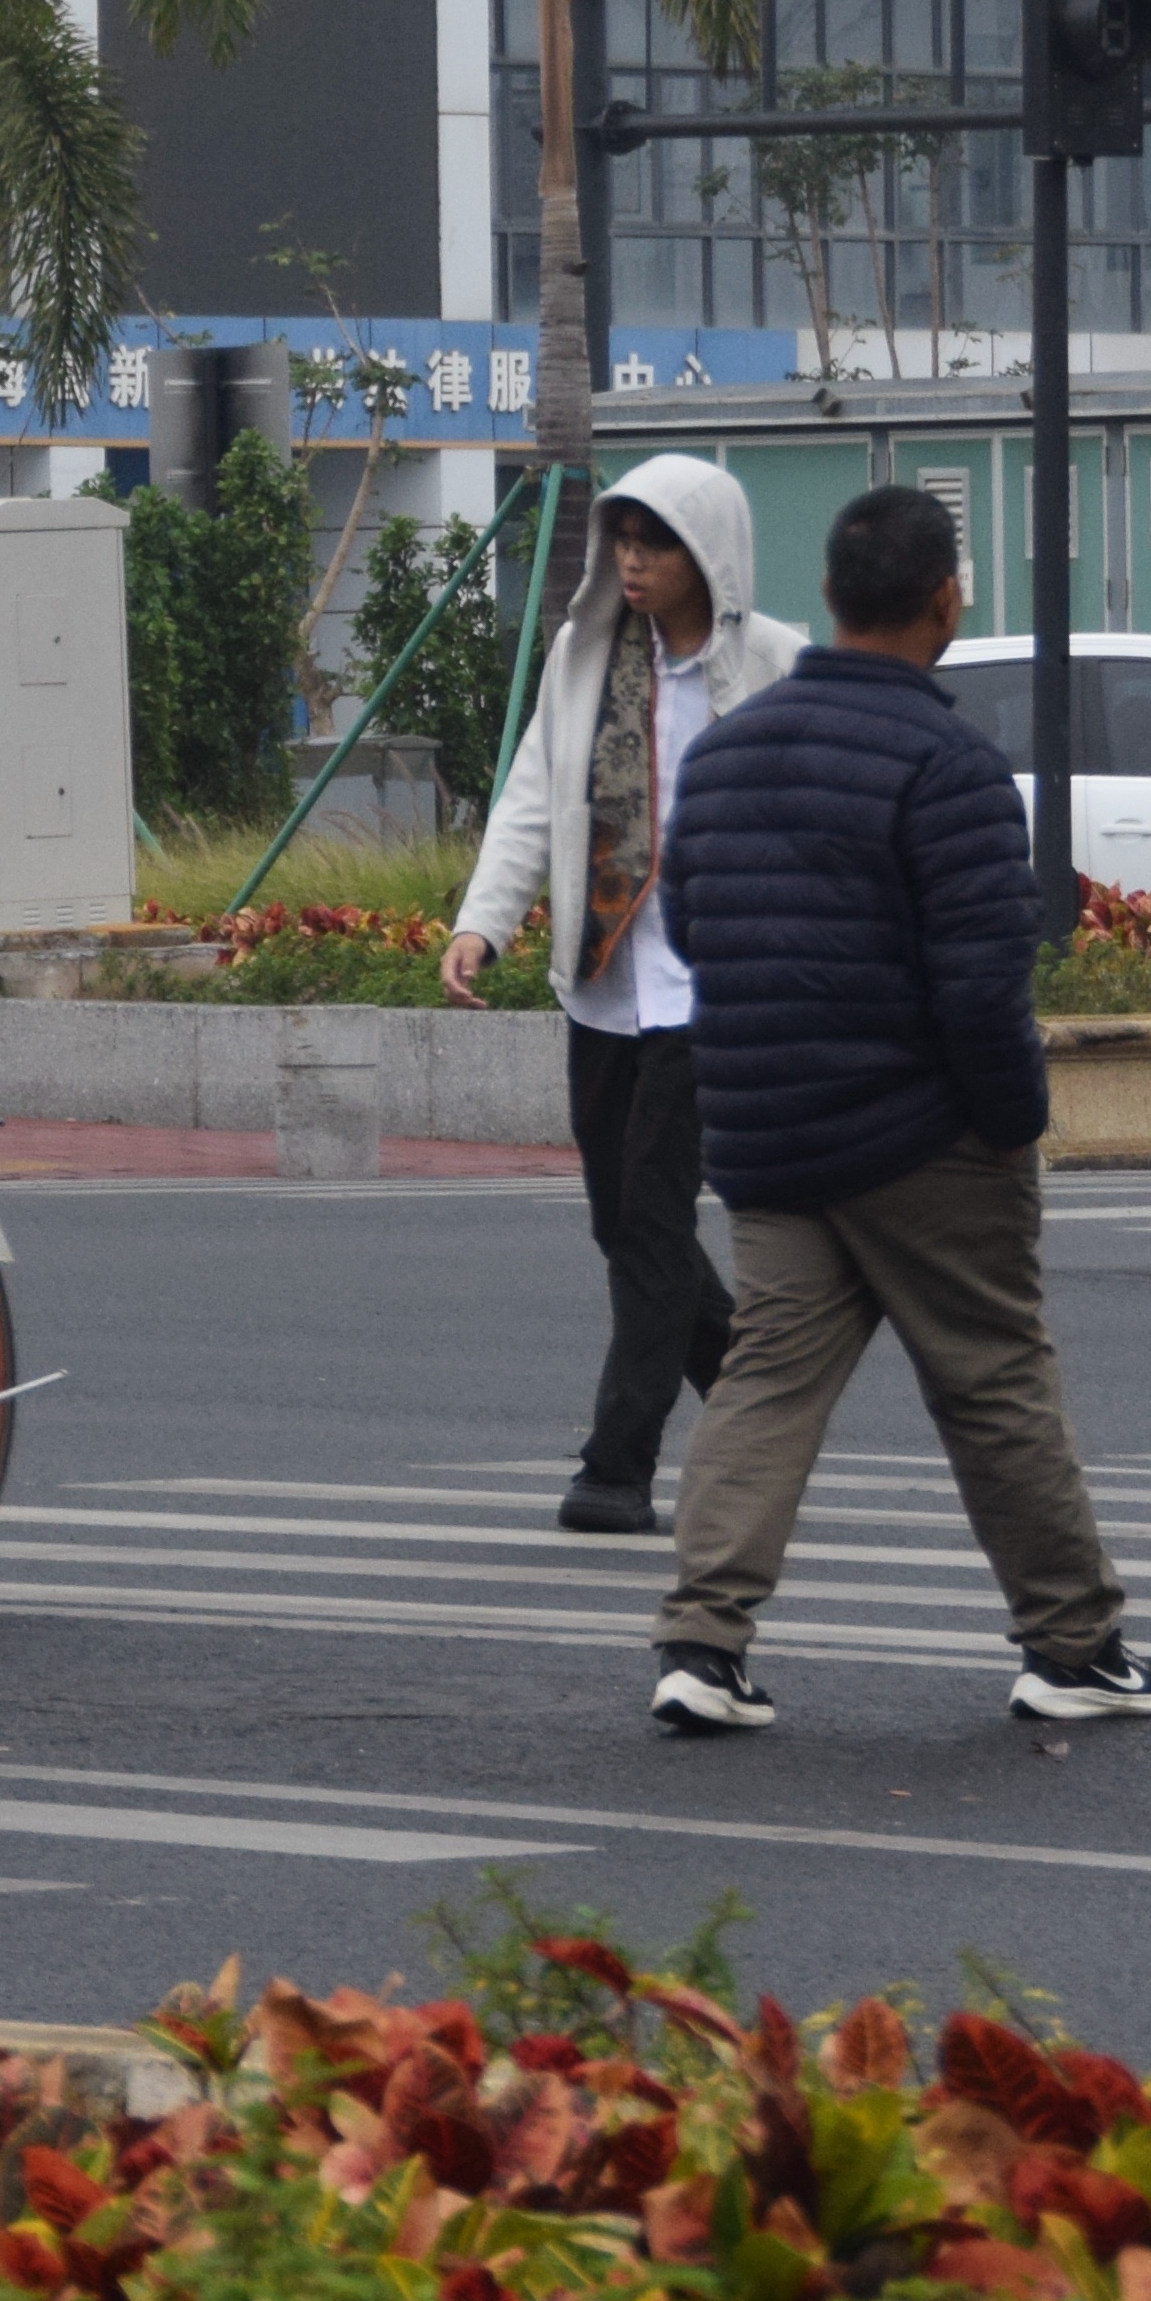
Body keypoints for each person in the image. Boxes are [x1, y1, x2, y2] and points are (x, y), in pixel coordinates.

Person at [646, 481, 1151, 1739]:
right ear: (945, 601)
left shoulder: (721, 758)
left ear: (829, 597)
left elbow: (688, 928)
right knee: (994, 1378)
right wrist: (1012, 1123)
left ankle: (700, 1642)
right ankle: (1073, 1642)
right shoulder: (953, 767)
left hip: (768, 1133)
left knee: (764, 1383)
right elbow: (983, 988)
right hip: (921, 1137)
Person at [441, 460, 800, 1536]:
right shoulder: (586, 653)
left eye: (658, 543)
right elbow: (535, 791)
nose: (634, 562)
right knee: (620, 1220)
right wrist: (481, 921)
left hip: (715, 991)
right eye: (625, 541)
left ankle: (616, 1466)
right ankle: (766, 1413)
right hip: (604, 980)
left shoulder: (778, 664)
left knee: (649, 1216)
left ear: (712, 556)